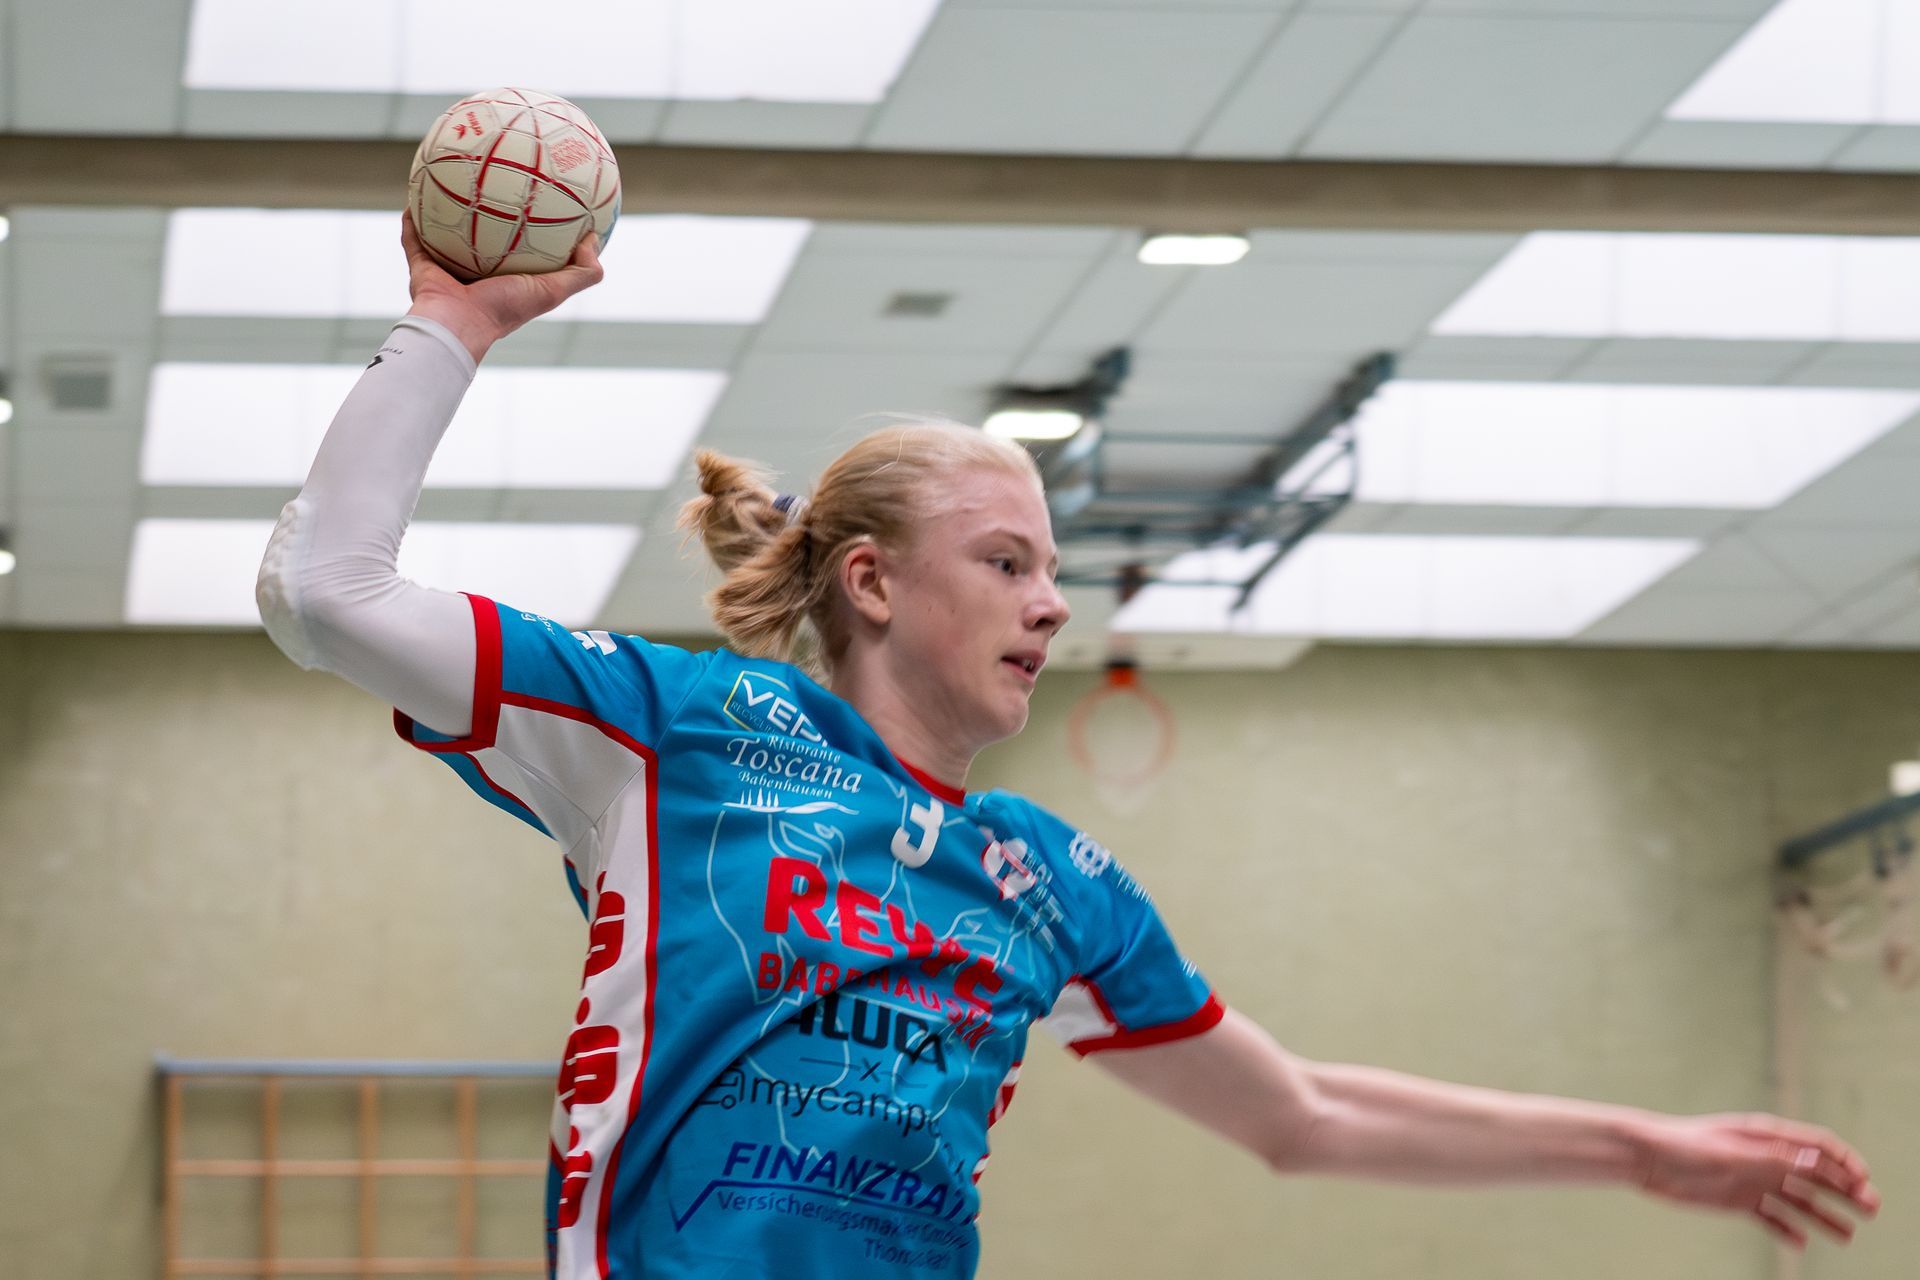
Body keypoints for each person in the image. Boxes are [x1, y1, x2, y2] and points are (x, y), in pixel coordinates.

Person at [256, 216, 1881, 1280]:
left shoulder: (1043, 877)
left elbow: (1302, 1114)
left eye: (1054, 568)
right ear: (873, 582)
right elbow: (327, 590)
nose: (1053, 602)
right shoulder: (679, 732)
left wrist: (1638, 1148)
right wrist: (451, 321)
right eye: (1007, 562)